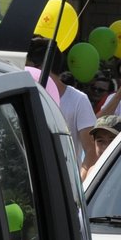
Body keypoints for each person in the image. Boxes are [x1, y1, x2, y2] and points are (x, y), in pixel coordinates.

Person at [27, 37, 97, 167]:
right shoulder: (26, 99)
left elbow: (91, 150)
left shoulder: (78, 100)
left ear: (42, 67)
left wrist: (79, 183)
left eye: (27, 67)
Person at [84, 115, 121, 179]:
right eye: (100, 141)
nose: (106, 147)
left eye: (112, 141)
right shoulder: (92, 172)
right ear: (93, 141)